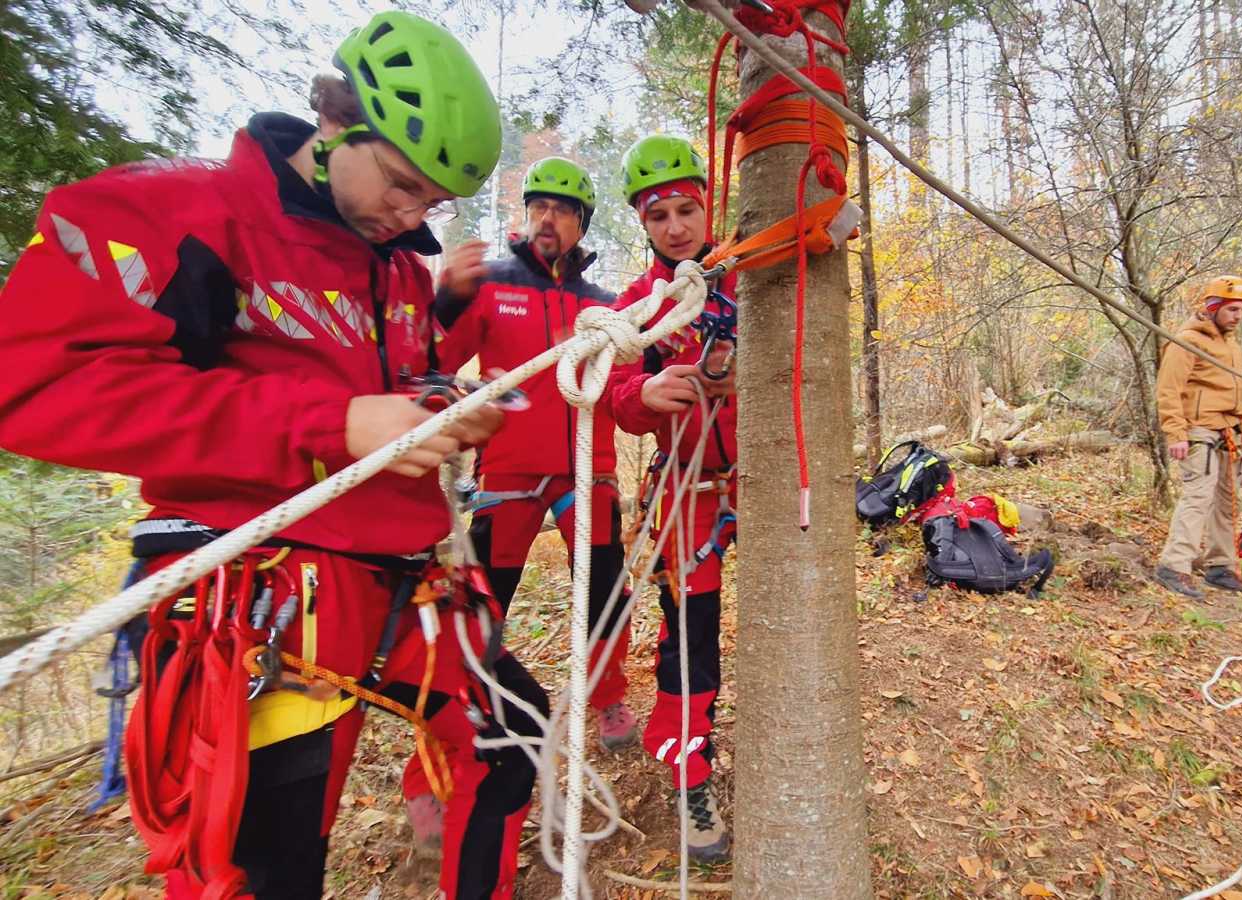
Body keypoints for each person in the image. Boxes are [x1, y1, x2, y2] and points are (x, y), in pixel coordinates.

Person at [0, 12, 550, 898]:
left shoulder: (398, 270)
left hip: (401, 582)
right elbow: (30, 390)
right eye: (402, 185)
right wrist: (333, 423)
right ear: (335, 120)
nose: (412, 216)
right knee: (266, 863)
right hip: (263, 598)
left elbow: (385, 391)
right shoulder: (174, 215)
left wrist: (437, 408)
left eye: (432, 204)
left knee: (510, 733)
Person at [431, 156, 639, 757]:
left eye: (563, 211)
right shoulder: (491, 285)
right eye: (538, 208)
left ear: (581, 224)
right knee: (484, 592)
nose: (549, 220)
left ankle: (609, 696)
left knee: (605, 588)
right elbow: (434, 361)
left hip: (587, 470)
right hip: (509, 471)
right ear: (524, 217)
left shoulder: (600, 304)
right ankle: (476, 693)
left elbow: (628, 373)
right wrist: (446, 300)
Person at [609, 134, 737, 862]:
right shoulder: (641, 302)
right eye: (659, 217)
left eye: (687, 209)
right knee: (691, 638)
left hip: (766, 478)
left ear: (708, 204)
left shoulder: (747, 271)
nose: (676, 227)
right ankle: (689, 771)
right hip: (688, 487)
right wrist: (648, 394)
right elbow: (616, 395)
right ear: (644, 224)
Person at [1152, 276, 1242, 599]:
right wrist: (1176, 432)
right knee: (1198, 497)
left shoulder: (1232, 346)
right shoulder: (1187, 341)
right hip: (1196, 431)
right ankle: (1174, 565)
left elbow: (1239, 397)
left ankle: (1222, 566)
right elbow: (1168, 390)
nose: (1238, 316)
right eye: (1232, 309)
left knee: (1227, 503)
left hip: (1227, 432)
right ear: (1213, 307)